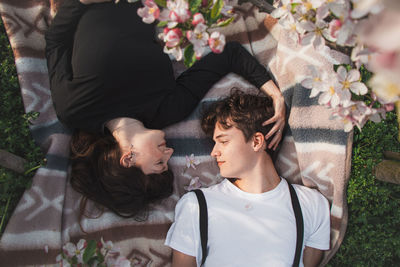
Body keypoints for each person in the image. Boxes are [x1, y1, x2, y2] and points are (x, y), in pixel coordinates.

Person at [45, 0, 286, 217]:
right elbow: (227, 54)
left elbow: (56, 42)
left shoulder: (75, 110)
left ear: (128, 159)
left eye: (159, 163)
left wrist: (80, 2)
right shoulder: (169, 109)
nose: (169, 153)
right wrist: (274, 93)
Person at [165, 90, 331, 267]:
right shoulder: (196, 205)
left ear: (257, 141)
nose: (214, 152)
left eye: (223, 141)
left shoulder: (311, 205)